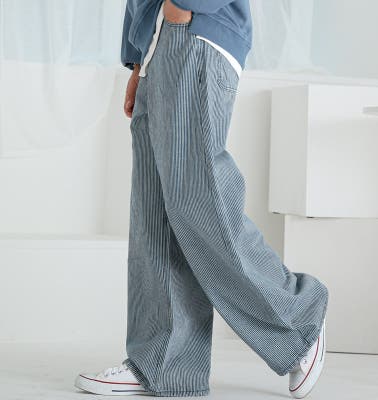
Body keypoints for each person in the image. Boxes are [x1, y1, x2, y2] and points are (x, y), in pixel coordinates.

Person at [74, 0, 329, 398]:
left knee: (199, 201)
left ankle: (298, 319)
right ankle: (164, 365)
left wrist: (183, 5)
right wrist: (138, 59)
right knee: (156, 215)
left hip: (194, 32)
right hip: (158, 45)